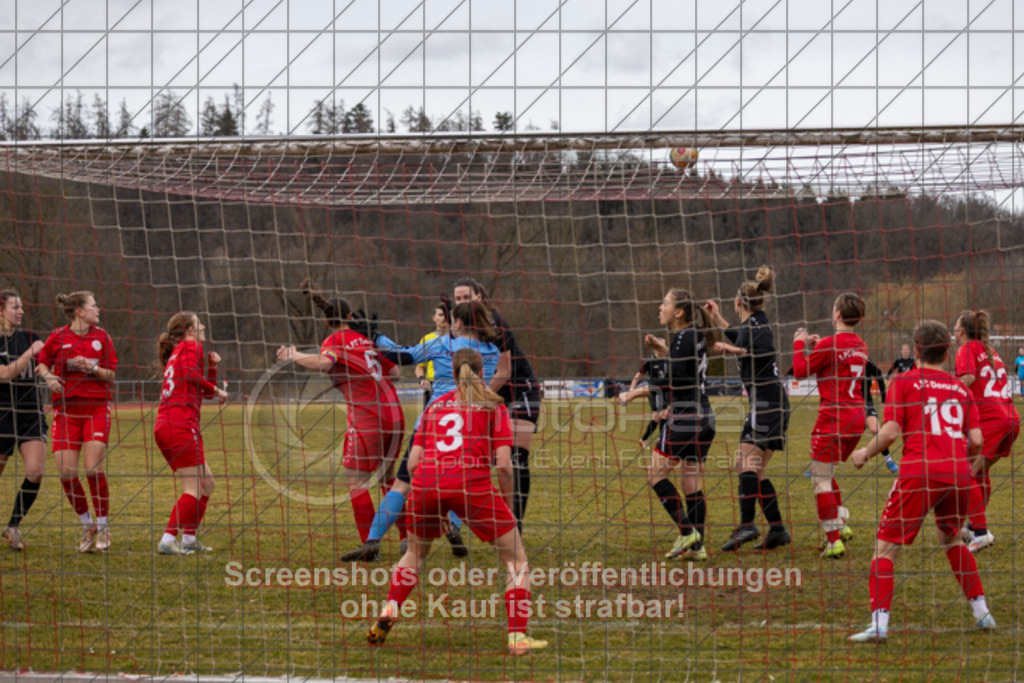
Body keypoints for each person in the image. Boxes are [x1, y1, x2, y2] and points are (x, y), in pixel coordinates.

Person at [367, 349, 547, 655]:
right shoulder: (494, 406)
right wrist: (506, 505)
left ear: (452, 374)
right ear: (483, 371)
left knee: (414, 554)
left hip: (426, 483)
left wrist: (433, 492)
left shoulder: (435, 406)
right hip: (471, 485)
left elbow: (412, 464)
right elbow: (505, 465)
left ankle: (389, 609)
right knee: (516, 561)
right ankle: (517, 638)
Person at [849, 320, 995, 642]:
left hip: (919, 473)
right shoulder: (960, 388)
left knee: (885, 548)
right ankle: (982, 613)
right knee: (952, 540)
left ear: (916, 351)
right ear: (947, 353)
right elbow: (976, 440)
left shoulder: (904, 381)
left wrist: (864, 453)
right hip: (958, 475)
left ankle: (879, 624)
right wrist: (958, 458)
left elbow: (890, 432)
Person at [340, 300, 502, 561]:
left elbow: (403, 356)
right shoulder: (492, 350)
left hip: (432, 423)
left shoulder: (442, 343)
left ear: (458, 322)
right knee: (465, 482)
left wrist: (377, 336)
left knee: (402, 485)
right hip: (472, 426)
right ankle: (454, 526)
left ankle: (372, 540)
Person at [276, 284, 406, 550]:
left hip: (367, 417)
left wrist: (294, 355)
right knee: (389, 479)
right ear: (350, 316)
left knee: (356, 481)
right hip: (394, 413)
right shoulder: (368, 337)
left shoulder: (335, 340)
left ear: (327, 321)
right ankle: (407, 538)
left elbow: (325, 363)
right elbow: (395, 374)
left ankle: (370, 544)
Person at [705, 267, 791, 552]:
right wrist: (717, 319)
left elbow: (763, 351)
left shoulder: (757, 325)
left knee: (745, 463)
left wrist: (732, 350)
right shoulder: (754, 322)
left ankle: (747, 526)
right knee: (755, 468)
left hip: (767, 403)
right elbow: (741, 337)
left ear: (739, 302)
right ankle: (777, 530)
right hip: (769, 403)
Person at [453, 278, 542, 532]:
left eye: (467, 297)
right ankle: (458, 520)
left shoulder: (495, 323)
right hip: (487, 394)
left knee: (516, 458)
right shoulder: (457, 328)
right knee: (480, 458)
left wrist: (476, 399)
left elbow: (504, 372)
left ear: (480, 297)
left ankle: (515, 525)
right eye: (458, 299)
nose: (462, 302)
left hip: (520, 391)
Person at [36, 291, 117, 553]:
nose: (98, 309)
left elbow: (111, 375)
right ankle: (87, 525)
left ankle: (103, 527)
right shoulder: (58, 336)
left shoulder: (102, 337)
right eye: (94, 305)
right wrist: (49, 377)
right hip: (66, 412)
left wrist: (92, 367)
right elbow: (41, 363)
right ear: (80, 311)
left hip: (95, 409)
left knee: (93, 470)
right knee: (66, 474)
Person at [792, 292, 868, 559]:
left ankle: (833, 540)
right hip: (856, 417)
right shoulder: (861, 345)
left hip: (834, 417)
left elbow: (800, 371)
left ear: (837, 314)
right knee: (828, 471)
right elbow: (835, 362)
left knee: (820, 476)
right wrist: (819, 346)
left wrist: (798, 344)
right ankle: (840, 524)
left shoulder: (830, 344)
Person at [644, 289, 716, 562]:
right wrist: (663, 350)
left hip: (686, 416)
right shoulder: (693, 336)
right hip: (704, 416)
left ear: (679, 312)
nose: (660, 307)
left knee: (655, 475)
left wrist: (638, 391)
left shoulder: (684, 337)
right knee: (691, 482)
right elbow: (685, 369)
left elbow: (675, 378)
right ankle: (697, 546)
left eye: (665, 303)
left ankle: (688, 532)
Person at [155, 312, 229, 555]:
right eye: (199, 324)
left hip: (171, 425)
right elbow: (191, 376)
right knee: (194, 488)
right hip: (179, 425)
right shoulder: (191, 345)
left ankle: (188, 539)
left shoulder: (179, 351)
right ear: (189, 330)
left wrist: (212, 369)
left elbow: (201, 390)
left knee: (207, 484)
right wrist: (219, 391)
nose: (203, 326)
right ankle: (167, 539)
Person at [953, 310, 1020, 554]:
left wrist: (944, 394)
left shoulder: (966, 349)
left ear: (962, 331)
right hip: (1010, 419)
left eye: (955, 326)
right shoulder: (989, 351)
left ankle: (980, 532)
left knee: (965, 475)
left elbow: (968, 378)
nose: (953, 331)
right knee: (980, 473)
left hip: (991, 421)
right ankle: (973, 527)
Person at [0, 290, 46, 551]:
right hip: (3, 414)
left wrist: (48, 373)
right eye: (14, 307)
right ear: (1, 311)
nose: (20, 312)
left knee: (36, 472)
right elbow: (5, 374)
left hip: (31, 414)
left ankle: (13, 526)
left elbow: (44, 365)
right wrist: (30, 353)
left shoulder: (31, 337)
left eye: (21, 307)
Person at [616, 356, 669, 446]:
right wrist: (631, 390)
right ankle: (662, 440)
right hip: (653, 392)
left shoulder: (667, 360)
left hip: (663, 392)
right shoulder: (650, 362)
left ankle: (644, 439)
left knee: (657, 417)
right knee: (663, 414)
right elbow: (638, 375)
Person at [863, 359, 900, 474]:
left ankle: (889, 460)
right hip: (848, 403)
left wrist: (884, 400)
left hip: (866, 401)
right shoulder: (842, 360)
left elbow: (879, 375)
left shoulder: (866, 361)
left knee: (876, 429)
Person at [414, 300, 451, 410]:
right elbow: (419, 367)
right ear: (434, 318)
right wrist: (422, 379)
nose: (443, 318)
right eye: (440, 315)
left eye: (446, 315)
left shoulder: (458, 338)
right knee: (430, 419)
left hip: (451, 385)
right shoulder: (427, 339)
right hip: (432, 386)